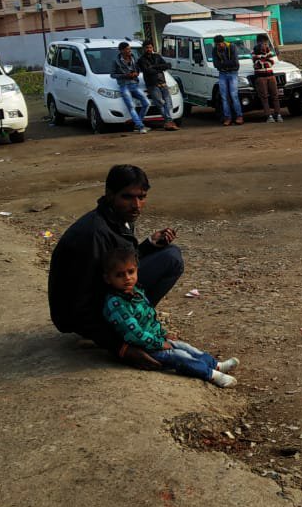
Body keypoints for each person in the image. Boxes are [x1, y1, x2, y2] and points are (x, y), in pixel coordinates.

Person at [48, 164, 184, 368]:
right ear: (110, 195)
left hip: (103, 293)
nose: (136, 205)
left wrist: (148, 244)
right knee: (171, 258)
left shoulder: (116, 219)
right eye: (128, 197)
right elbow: (80, 302)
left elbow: (116, 264)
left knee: (168, 255)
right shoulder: (94, 233)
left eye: (142, 197)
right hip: (78, 313)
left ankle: (136, 324)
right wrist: (121, 348)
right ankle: (126, 329)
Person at [101, 246, 238, 388]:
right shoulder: (116, 304)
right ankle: (212, 375)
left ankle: (216, 365)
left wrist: (163, 334)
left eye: (131, 272)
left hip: (155, 340)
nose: (127, 278)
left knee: (186, 347)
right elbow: (134, 334)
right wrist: (159, 344)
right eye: (119, 275)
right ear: (108, 278)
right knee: (179, 356)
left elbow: (150, 318)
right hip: (142, 349)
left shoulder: (136, 291)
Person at [138, 41, 178, 131]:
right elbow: (147, 71)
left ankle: (168, 122)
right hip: (152, 85)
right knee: (160, 103)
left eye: (150, 47)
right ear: (144, 48)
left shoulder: (157, 56)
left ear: (153, 48)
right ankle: (169, 121)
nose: (149, 49)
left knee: (168, 102)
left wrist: (154, 67)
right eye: (147, 47)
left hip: (163, 83)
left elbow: (168, 65)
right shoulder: (141, 60)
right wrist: (159, 68)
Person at [110, 41, 150, 134]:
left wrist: (136, 73)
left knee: (146, 103)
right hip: (124, 85)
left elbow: (137, 69)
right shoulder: (116, 61)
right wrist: (125, 75)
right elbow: (112, 75)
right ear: (121, 51)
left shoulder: (133, 58)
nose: (129, 51)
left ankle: (138, 123)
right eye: (127, 49)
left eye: (129, 49)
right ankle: (140, 126)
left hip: (134, 84)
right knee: (131, 106)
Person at [212, 34, 243, 126]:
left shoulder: (232, 47)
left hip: (232, 73)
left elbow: (235, 62)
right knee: (224, 97)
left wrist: (222, 64)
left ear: (223, 42)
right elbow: (215, 64)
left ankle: (239, 116)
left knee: (234, 95)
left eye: (220, 44)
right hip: (222, 74)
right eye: (217, 44)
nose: (219, 46)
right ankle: (227, 117)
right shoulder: (215, 50)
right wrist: (225, 64)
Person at [252, 34, 283, 123]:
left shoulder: (268, 51)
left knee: (275, 96)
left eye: (266, 44)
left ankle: (278, 114)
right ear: (258, 43)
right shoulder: (254, 52)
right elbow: (257, 64)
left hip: (270, 76)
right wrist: (264, 59)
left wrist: (262, 59)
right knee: (264, 97)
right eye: (263, 44)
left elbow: (271, 62)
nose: (265, 45)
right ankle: (268, 115)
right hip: (260, 78)